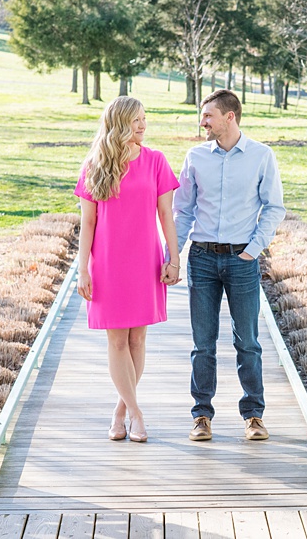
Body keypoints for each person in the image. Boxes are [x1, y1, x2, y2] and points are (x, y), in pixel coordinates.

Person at [174, 89, 286, 441]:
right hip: (202, 259)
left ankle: (253, 415)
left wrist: (253, 250)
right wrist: (172, 256)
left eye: (208, 116)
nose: (202, 122)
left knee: (247, 341)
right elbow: (183, 211)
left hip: (241, 261)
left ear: (230, 117)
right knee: (202, 343)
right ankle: (201, 416)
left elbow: (274, 207)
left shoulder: (261, 156)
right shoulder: (195, 157)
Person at [75, 96, 181, 443]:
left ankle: (121, 410)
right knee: (117, 339)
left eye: (144, 119)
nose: (142, 125)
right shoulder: (95, 165)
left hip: (145, 261)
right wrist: (83, 270)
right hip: (107, 263)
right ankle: (136, 413)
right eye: (135, 119)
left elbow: (166, 215)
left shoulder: (155, 161)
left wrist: (173, 258)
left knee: (138, 338)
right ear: (119, 122)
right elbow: (87, 223)